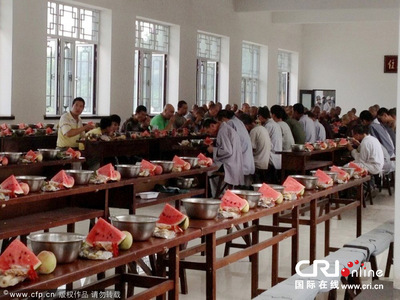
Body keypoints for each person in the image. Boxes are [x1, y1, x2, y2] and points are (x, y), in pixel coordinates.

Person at [203, 118, 244, 187]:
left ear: (212, 126)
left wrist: (213, 149)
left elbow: (227, 151)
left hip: (229, 164)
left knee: (207, 171)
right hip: (234, 162)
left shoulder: (223, 131)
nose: (209, 134)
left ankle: (216, 194)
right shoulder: (225, 128)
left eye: (208, 131)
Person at [217, 110, 255, 183]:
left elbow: (230, 144)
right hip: (246, 156)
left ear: (224, 118)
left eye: (220, 121)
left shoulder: (230, 123)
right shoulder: (238, 121)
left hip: (241, 157)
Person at [241, 114, 272, 183]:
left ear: (246, 125)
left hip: (258, 163)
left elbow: (251, 150)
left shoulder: (254, 131)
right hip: (265, 161)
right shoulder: (262, 128)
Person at [258, 106, 282, 183]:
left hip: (271, 156)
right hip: (277, 155)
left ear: (260, 117)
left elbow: (263, 141)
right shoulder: (275, 124)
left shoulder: (268, 126)